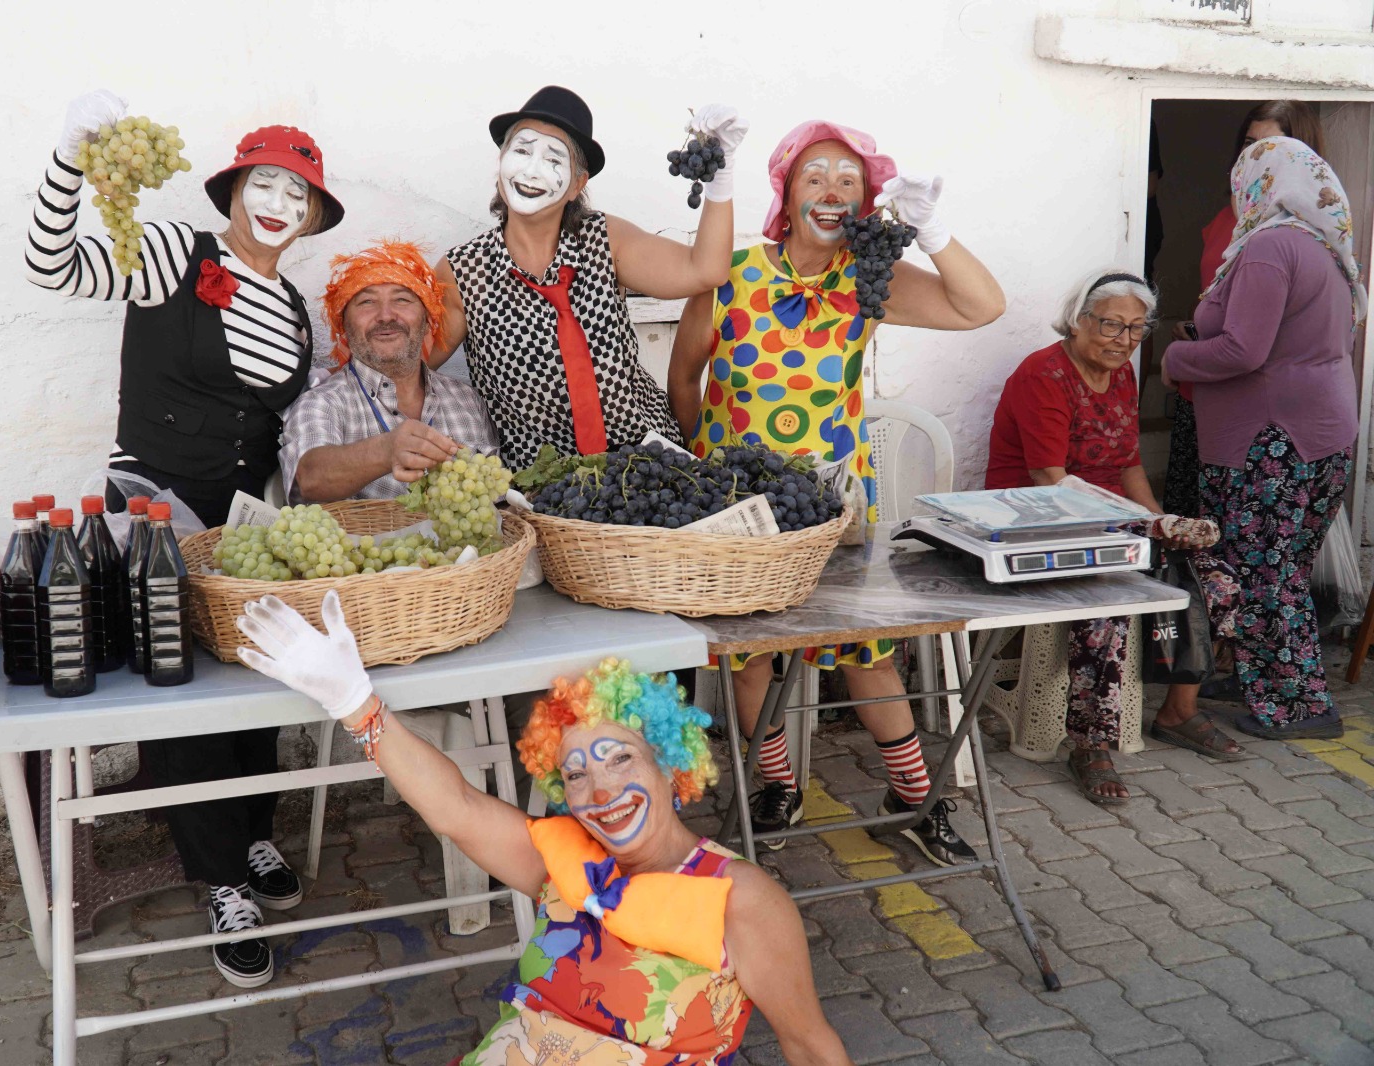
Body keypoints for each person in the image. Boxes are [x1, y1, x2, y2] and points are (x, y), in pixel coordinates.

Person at [235, 592, 856, 1066]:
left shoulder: (743, 901)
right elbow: (454, 807)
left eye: (621, 759)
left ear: (670, 767)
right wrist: (356, 705)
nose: (601, 791)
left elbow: (808, 1046)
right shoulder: (564, 864)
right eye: (577, 774)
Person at [25, 90, 344, 987]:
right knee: (182, 692)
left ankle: (251, 834)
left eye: (298, 193)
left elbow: (277, 428)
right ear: (235, 190)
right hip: (154, 508)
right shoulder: (173, 253)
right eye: (265, 184)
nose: (279, 204)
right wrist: (69, 157)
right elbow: (55, 266)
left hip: (241, 523)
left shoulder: (295, 309)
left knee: (258, 679)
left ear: (313, 213)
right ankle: (219, 882)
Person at [666, 120, 1004, 858]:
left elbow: (983, 307)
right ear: (785, 193)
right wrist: (705, 464)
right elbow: (684, 376)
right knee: (752, 657)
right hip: (740, 508)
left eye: (849, 180)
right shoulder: (731, 273)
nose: (831, 190)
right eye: (815, 175)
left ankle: (915, 797)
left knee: (867, 652)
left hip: (836, 507)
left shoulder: (868, 279)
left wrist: (933, 228)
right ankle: (778, 785)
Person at [986, 269, 1245, 802]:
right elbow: (1049, 481)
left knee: (1216, 579)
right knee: (1108, 607)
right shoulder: (1045, 375)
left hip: (1108, 517)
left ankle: (1179, 711)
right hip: (1036, 521)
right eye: (1110, 326)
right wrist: (1131, 529)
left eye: (1135, 329)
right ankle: (1090, 743)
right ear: (1079, 321)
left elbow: (1127, 461)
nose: (1123, 340)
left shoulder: (1122, 373)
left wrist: (1159, 523)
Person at [1163, 137, 1366, 741]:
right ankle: (1260, 677)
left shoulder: (1269, 248)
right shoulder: (1325, 248)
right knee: (1283, 568)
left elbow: (1243, 351)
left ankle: (1298, 708)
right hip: (1321, 431)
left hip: (1269, 438)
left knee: (1263, 573)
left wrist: (1174, 356)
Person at [432, 86, 747, 470]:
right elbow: (406, 367)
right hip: (544, 485)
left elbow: (706, 270)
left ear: (578, 184)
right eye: (522, 150)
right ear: (501, 162)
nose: (532, 169)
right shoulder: (464, 271)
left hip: (646, 464)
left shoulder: (605, 239)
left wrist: (722, 174)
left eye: (553, 159)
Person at [1165, 101, 1324, 519]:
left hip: (1256, 409)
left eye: (1271, 144)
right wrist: (1194, 327)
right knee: (1187, 523)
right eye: (1249, 143)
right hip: (1200, 383)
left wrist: (1176, 356)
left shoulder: (1299, 231)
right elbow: (1218, 296)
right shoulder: (1227, 217)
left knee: (1236, 536)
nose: (1256, 156)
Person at [279, 241, 498, 503]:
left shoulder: (466, 401)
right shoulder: (322, 402)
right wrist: (386, 450)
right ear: (344, 325)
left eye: (402, 299)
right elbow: (310, 479)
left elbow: (494, 497)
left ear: (427, 318)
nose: (385, 315)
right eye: (367, 302)